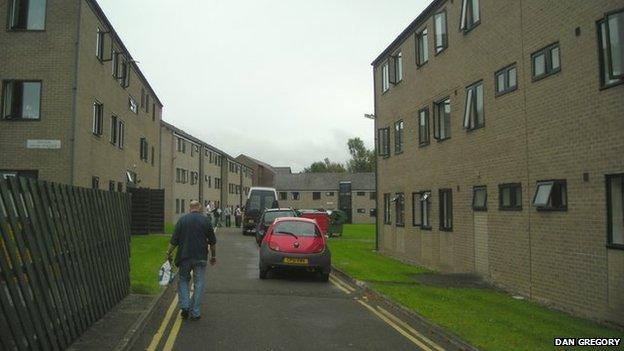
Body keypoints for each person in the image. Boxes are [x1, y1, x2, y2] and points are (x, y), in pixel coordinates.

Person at [165, 200, 217, 321]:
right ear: (199, 208)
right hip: (201, 257)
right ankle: (196, 312)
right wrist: (213, 256)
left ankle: (185, 306)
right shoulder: (206, 221)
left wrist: (168, 253)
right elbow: (212, 242)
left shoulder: (182, 220)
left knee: (183, 280)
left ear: (189, 208)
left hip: (184, 257)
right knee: (199, 284)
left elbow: (174, 241)